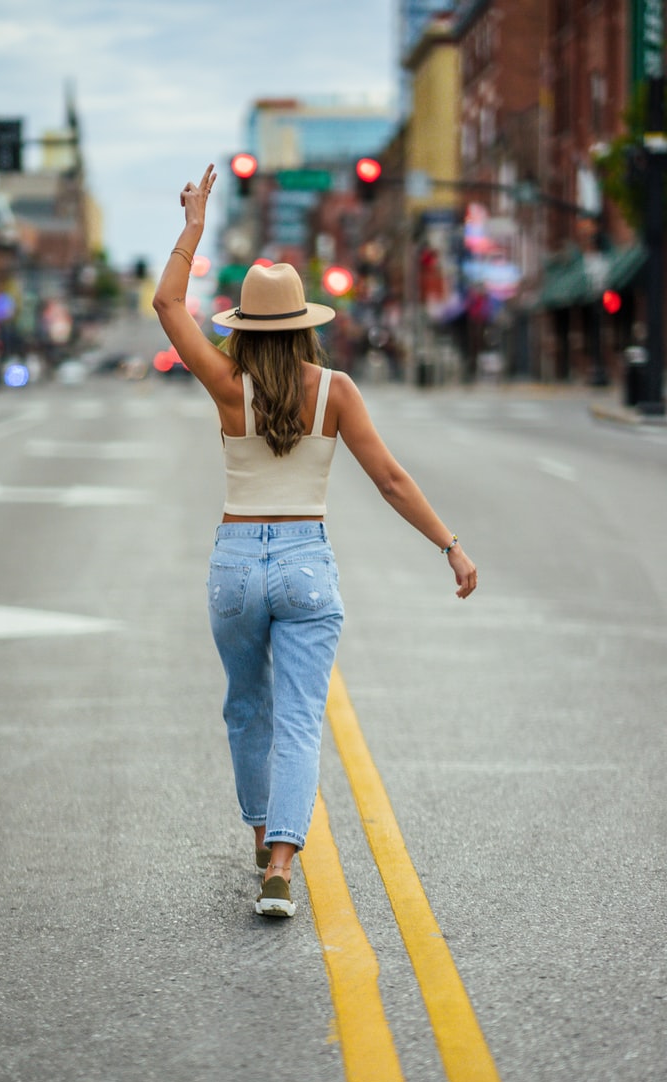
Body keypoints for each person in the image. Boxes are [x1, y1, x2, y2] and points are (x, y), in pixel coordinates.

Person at [153, 165, 477, 919]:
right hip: (304, 564)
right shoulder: (335, 392)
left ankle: (262, 827)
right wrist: (450, 546)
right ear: (305, 325)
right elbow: (391, 481)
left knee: (246, 709)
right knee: (301, 717)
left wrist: (195, 223)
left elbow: (168, 303)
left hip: (235, 563)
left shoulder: (226, 383)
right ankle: (281, 866)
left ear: (243, 324)